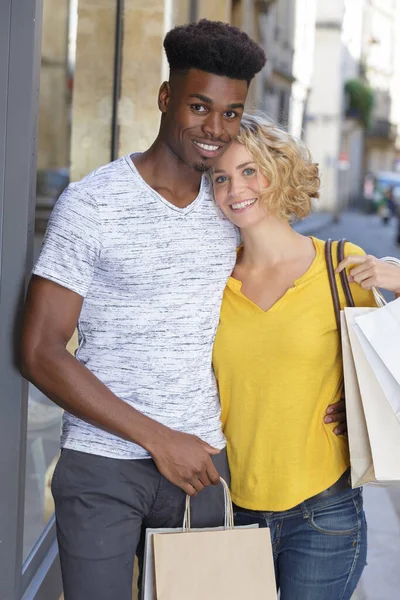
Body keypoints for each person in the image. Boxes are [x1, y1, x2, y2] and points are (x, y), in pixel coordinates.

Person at [20, 20, 266, 600]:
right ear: (165, 98)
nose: (214, 128)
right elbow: (39, 350)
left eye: (231, 114)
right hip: (103, 466)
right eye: (199, 106)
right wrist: (159, 439)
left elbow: (287, 282)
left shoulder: (231, 205)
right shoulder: (92, 203)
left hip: (201, 467)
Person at [211, 113, 400, 600]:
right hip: (229, 511)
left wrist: (398, 279)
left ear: (278, 172)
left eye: (249, 171)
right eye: (221, 178)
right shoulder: (208, 282)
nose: (236, 189)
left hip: (324, 514)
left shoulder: (340, 265)